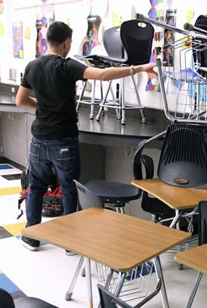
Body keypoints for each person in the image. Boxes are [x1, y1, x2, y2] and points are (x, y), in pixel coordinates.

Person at [15, 21, 155, 251]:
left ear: (47, 40)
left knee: (36, 187)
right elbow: (102, 75)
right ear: (67, 42)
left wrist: (41, 106)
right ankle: (70, 242)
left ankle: (31, 236)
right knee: (70, 188)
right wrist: (136, 68)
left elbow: (20, 100)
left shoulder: (32, 66)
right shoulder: (67, 66)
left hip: (39, 139)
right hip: (64, 140)